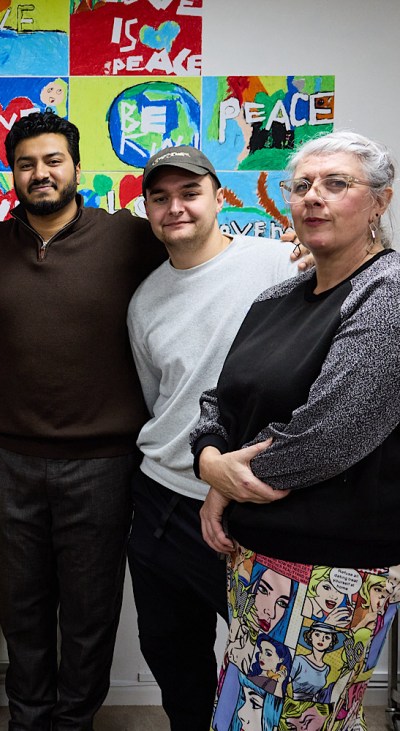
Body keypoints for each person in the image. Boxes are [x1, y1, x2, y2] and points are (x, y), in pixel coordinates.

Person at [0, 110, 166, 730]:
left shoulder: (130, 238)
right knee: (22, 611)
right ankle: (29, 721)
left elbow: (199, 266)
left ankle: (74, 723)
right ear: (12, 174)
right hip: (11, 459)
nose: (40, 173)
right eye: (26, 163)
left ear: (77, 168)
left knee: (89, 612)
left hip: (103, 462)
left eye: (53, 160)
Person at [191, 130, 400, 728]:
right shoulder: (279, 296)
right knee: (248, 712)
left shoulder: (387, 294)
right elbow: (219, 400)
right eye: (302, 185)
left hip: (335, 566)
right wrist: (209, 460)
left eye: (337, 184)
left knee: (305, 718)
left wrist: (224, 478)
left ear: (379, 202)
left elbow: (329, 432)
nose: (314, 198)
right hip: (256, 552)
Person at [125, 145, 298, 731]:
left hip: (252, 503)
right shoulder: (145, 300)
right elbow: (160, 401)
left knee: (266, 665)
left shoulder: (281, 264)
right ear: (146, 208)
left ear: (219, 198)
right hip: (161, 502)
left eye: (190, 193)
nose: (176, 208)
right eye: (161, 197)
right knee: (174, 659)